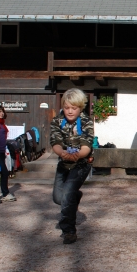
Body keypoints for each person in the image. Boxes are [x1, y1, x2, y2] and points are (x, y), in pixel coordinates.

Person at [50, 88, 94, 244]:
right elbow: (55, 142)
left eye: (73, 108)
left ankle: (68, 231)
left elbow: (87, 145)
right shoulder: (57, 120)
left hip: (81, 164)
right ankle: (76, 196)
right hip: (63, 163)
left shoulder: (86, 121)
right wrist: (62, 153)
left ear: (80, 107)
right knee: (58, 198)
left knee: (67, 194)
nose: (69, 111)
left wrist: (79, 154)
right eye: (67, 107)